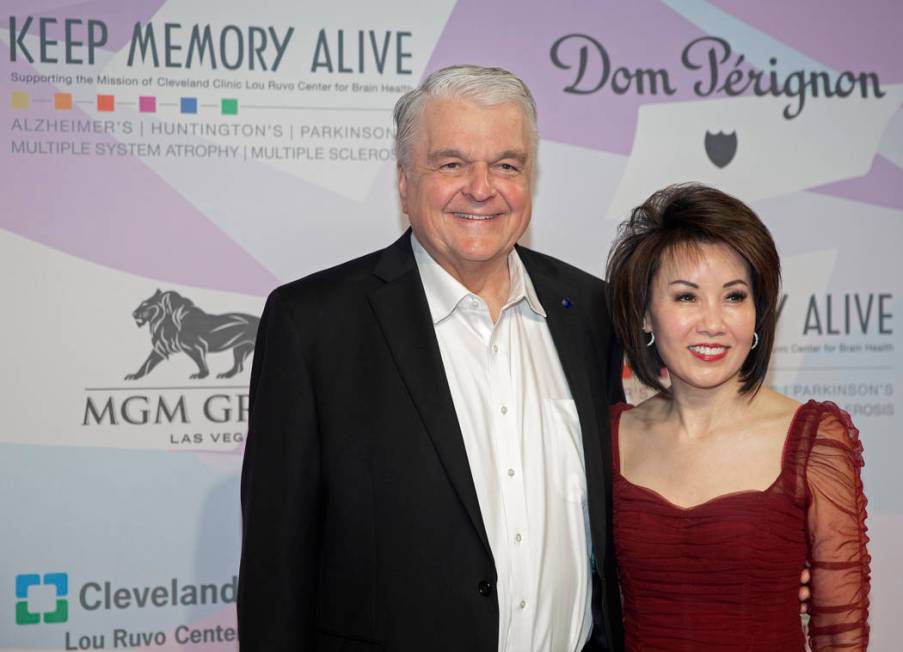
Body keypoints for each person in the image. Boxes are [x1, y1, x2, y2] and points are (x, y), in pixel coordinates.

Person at [237, 65, 625, 651]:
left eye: (506, 165)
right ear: (402, 180)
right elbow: (276, 570)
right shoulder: (312, 325)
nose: (481, 187)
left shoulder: (592, 309)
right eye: (451, 164)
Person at [605, 183, 870, 651]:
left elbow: (840, 635)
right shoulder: (609, 436)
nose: (713, 322)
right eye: (686, 297)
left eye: (734, 296)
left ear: (758, 315)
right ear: (646, 316)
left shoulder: (812, 439)